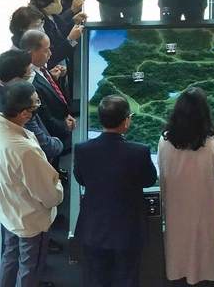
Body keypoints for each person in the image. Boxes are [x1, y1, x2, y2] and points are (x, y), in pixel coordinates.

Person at [0, 80, 64, 287]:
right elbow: (50, 195)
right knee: (30, 268)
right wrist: (58, 186)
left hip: (7, 209)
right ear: (24, 113)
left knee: (10, 258)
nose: (35, 110)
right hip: (30, 221)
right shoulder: (24, 150)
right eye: (35, 105)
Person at [73, 95, 157, 287]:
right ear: (126, 120)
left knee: (97, 279)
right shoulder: (139, 151)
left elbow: (81, 179)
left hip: (93, 228)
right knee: (127, 279)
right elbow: (149, 179)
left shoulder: (82, 149)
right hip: (128, 230)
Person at [158, 86, 214, 284]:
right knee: (207, 264)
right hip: (208, 217)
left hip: (176, 214)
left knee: (180, 261)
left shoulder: (164, 142)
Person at [0, 49, 64, 165]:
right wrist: (57, 142)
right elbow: (45, 146)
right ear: (16, 80)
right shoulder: (18, 105)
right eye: (29, 73)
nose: (32, 75)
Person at [21, 30, 76, 157]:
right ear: (31, 53)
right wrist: (65, 126)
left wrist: (53, 77)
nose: (50, 54)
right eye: (46, 50)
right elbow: (45, 119)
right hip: (53, 137)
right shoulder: (30, 84)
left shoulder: (39, 66)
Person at [29, 0, 81, 74]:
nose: (59, 3)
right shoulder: (38, 25)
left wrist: (74, 21)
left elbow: (61, 31)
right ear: (43, 2)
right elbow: (51, 54)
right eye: (55, 0)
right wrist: (70, 40)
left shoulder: (52, 14)